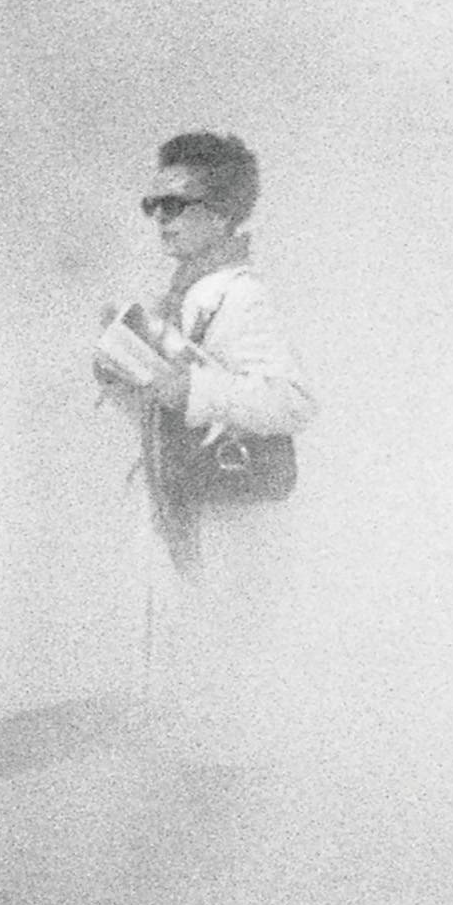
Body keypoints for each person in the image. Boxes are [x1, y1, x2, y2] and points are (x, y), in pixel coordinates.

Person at [96, 130, 317, 776]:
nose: (159, 219)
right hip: (186, 516)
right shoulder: (186, 293)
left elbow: (293, 400)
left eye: (176, 205)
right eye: (152, 206)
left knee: (218, 691)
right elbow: (168, 414)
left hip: (225, 525)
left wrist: (186, 386)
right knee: (184, 679)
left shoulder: (242, 295)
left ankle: (209, 809)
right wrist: (120, 376)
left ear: (220, 215)